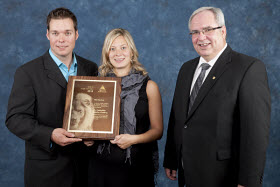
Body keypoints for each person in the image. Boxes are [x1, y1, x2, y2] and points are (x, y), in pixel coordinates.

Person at [164, 7, 270, 187]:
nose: (201, 37)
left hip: (224, 176)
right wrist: (172, 158)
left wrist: (248, 182)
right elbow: (178, 117)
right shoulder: (186, 69)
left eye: (207, 30)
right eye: (195, 32)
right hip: (188, 172)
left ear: (223, 31)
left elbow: (256, 134)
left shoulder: (248, 68)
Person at [5, 7, 98, 187]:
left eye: (67, 32)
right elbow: (15, 119)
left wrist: (94, 136)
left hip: (85, 168)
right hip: (46, 171)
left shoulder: (91, 68)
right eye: (55, 33)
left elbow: (97, 112)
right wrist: (50, 135)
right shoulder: (27, 72)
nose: (61, 39)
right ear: (47, 34)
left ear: (77, 34)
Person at [85, 28, 163, 187]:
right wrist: (89, 140)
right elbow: (91, 126)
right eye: (112, 49)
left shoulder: (149, 87)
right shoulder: (96, 87)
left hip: (136, 168)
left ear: (132, 52)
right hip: (101, 168)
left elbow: (157, 131)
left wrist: (133, 139)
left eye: (123, 47)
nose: (117, 53)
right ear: (107, 54)